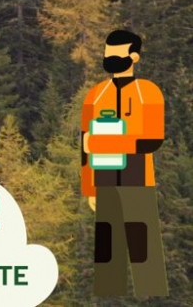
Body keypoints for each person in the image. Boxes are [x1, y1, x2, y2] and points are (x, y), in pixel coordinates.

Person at [79, 29, 168, 298]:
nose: (110, 58)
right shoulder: (95, 95)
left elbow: (151, 140)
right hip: (104, 180)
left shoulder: (148, 93)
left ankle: (153, 300)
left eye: (117, 54)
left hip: (138, 178)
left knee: (145, 255)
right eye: (108, 53)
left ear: (134, 57)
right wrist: (89, 188)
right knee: (107, 258)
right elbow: (84, 147)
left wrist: (104, 143)